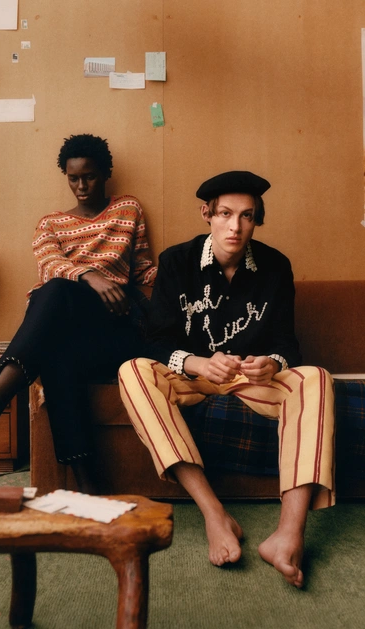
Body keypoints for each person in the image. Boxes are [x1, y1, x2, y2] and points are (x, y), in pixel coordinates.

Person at [118, 170, 335, 588]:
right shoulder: (176, 262)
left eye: (247, 216)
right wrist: (197, 363)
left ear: (256, 220)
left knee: (317, 378)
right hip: (190, 380)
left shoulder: (276, 266)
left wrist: (273, 362)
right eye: (225, 214)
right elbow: (154, 342)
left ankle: (288, 534)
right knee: (131, 370)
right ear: (207, 214)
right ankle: (215, 514)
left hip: (249, 382)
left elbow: (287, 344)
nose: (235, 227)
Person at [0, 133, 157, 492]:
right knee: (57, 346)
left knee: (56, 296)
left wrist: (189, 275)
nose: (81, 186)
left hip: (115, 324)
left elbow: (143, 270)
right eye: (73, 178)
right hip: (68, 322)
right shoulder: (50, 224)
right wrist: (90, 276)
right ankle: (90, 490)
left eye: (89, 177)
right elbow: (50, 266)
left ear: (105, 173)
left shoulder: (127, 209)